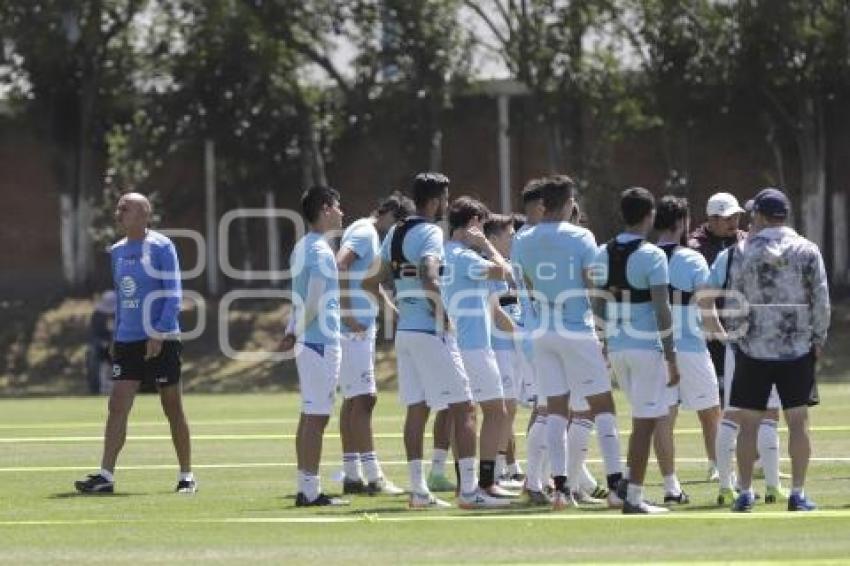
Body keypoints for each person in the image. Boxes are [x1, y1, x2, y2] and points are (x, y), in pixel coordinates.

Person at [363, 172, 501, 509]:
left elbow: (370, 282)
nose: (447, 204)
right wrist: (443, 315)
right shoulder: (430, 233)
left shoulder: (394, 231)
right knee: (465, 407)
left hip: (407, 332)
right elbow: (428, 274)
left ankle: (418, 491)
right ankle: (469, 492)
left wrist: (396, 311)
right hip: (429, 330)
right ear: (436, 199)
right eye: (446, 197)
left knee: (417, 408)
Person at [513, 175, 625, 510]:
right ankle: (617, 486)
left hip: (542, 330)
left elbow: (527, 282)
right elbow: (593, 282)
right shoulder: (581, 236)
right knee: (603, 406)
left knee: (555, 411)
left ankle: (560, 490)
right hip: (576, 327)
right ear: (569, 201)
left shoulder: (523, 237)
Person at [75, 192, 193, 494]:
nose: (118, 213)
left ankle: (186, 476)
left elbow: (174, 294)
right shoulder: (116, 251)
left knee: (172, 406)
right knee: (117, 405)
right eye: (118, 208)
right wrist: (117, 337)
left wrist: (158, 332)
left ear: (144, 214)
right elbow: (122, 299)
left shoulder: (162, 246)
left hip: (162, 338)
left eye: (125, 209)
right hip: (127, 340)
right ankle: (105, 476)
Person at [720, 188, 829, 512]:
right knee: (798, 421)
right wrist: (818, 338)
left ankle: (744, 492)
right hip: (796, 346)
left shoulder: (742, 251)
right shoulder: (807, 250)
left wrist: (737, 337)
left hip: (754, 346)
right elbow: (820, 298)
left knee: (748, 423)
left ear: (761, 216)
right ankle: (797, 492)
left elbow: (732, 297)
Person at [591, 187, 679, 514]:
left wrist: (602, 342)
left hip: (617, 348)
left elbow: (597, 303)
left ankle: (627, 486)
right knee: (645, 422)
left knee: (647, 417)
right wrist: (671, 356)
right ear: (649, 215)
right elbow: (662, 310)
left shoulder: (602, 252)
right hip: (645, 349)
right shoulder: (653, 255)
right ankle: (634, 498)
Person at [336, 192, 412, 496]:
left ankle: (352, 474)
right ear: (388, 213)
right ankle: (373, 476)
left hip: (358, 327)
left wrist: (394, 314)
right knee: (366, 399)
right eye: (398, 223)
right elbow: (340, 265)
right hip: (353, 328)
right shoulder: (365, 232)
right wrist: (347, 312)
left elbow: (373, 284)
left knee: (354, 400)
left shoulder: (368, 235)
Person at [652, 196, 725, 504]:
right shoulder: (692, 258)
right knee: (711, 411)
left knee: (664, 417)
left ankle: (671, 484)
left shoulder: (644, 256)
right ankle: (719, 469)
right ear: (681, 222)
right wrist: (722, 335)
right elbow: (707, 304)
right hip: (690, 345)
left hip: (654, 345)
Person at [442, 197, 516, 502]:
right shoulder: (466, 257)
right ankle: (484, 483)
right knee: (495, 413)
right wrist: (486, 243)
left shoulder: (447, 253)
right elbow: (505, 272)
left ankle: (468, 484)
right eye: (481, 225)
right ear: (472, 223)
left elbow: (495, 307)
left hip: (456, 343)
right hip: (473, 346)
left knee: (463, 415)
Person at [282, 185, 348, 507]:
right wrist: (298, 331)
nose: (341, 212)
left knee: (309, 415)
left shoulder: (302, 246)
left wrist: (292, 329)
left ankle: (305, 486)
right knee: (317, 417)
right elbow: (314, 299)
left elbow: (298, 299)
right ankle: (310, 491)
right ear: (324, 208)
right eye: (337, 206)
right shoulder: (321, 251)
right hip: (319, 341)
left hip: (310, 340)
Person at [687, 192, 746, 403]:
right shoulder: (694, 247)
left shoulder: (746, 242)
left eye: (736, 217)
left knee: (747, 396)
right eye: (728, 218)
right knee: (717, 398)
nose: (734, 223)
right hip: (709, 333)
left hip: (741, 330)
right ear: (712, 219)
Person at [483, 213, 524, 488]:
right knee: (503, 409)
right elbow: (495, 311)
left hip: (513, 345)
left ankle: (506, 467)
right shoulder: (490, 268)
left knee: (510, 408)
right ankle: (495, 470)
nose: (513, 238)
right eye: (509, 234)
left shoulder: (510, 266)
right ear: (494, 238)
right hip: (500, 345)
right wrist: (522, 335)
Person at [87, 290, 116, 395]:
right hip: (100, 346)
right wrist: (102, 342)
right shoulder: (97, 315)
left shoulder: (121, 315)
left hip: (116, 346)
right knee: (98, 362)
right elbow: (94, 332)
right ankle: (100, 388)